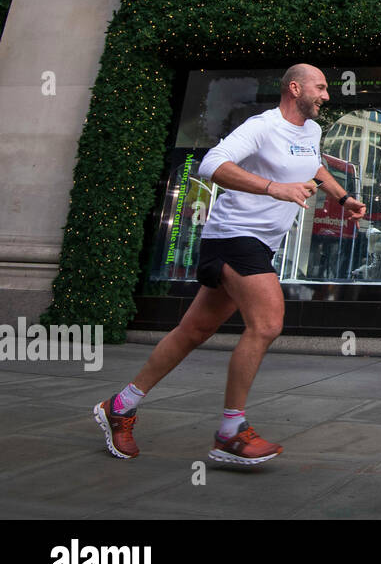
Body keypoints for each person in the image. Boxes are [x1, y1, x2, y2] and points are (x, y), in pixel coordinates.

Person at [93, 64, 367, 464]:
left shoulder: (310, 131)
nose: (327, 95)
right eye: (321, 88)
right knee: (268, 323)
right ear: (295, 88)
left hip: (256, 244)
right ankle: (230, 432)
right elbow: (212, 165)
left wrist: (343, 198)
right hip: (234, 236)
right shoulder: (262, 126)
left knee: (194, 330)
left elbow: (313, 165)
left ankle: (119, 405)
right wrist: (275, 188)